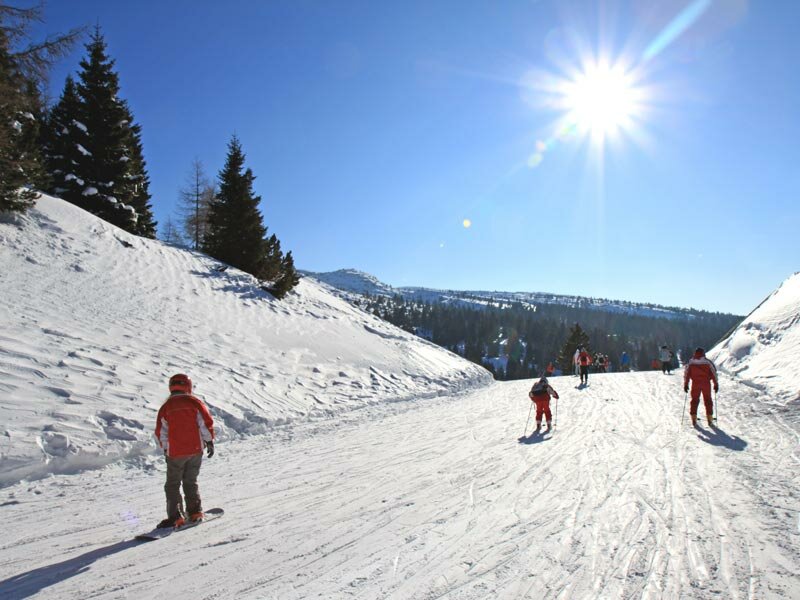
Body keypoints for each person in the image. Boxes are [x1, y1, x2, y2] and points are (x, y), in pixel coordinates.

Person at [155, 373, 215, 528]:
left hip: (176, 453)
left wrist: (166, 448)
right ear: (188, 386)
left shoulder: (166, 407)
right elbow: (205, 423)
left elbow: (161, 432)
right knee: (190, 481)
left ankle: (176, 517)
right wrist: (209, 441)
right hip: (195, 450)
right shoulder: (194, 402)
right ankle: (195, 512)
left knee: (173, 484)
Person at [683, 347, 719, 426]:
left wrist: (686, 384)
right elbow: (714, 373)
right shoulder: (707, 362)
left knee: (694, 400)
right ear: (703, 353)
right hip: (706, 384)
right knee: (708, 400)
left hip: (695, 384)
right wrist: (716, 384)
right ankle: (709, 418)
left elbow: (686, 373)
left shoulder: (691, 362)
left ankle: (693, 418)